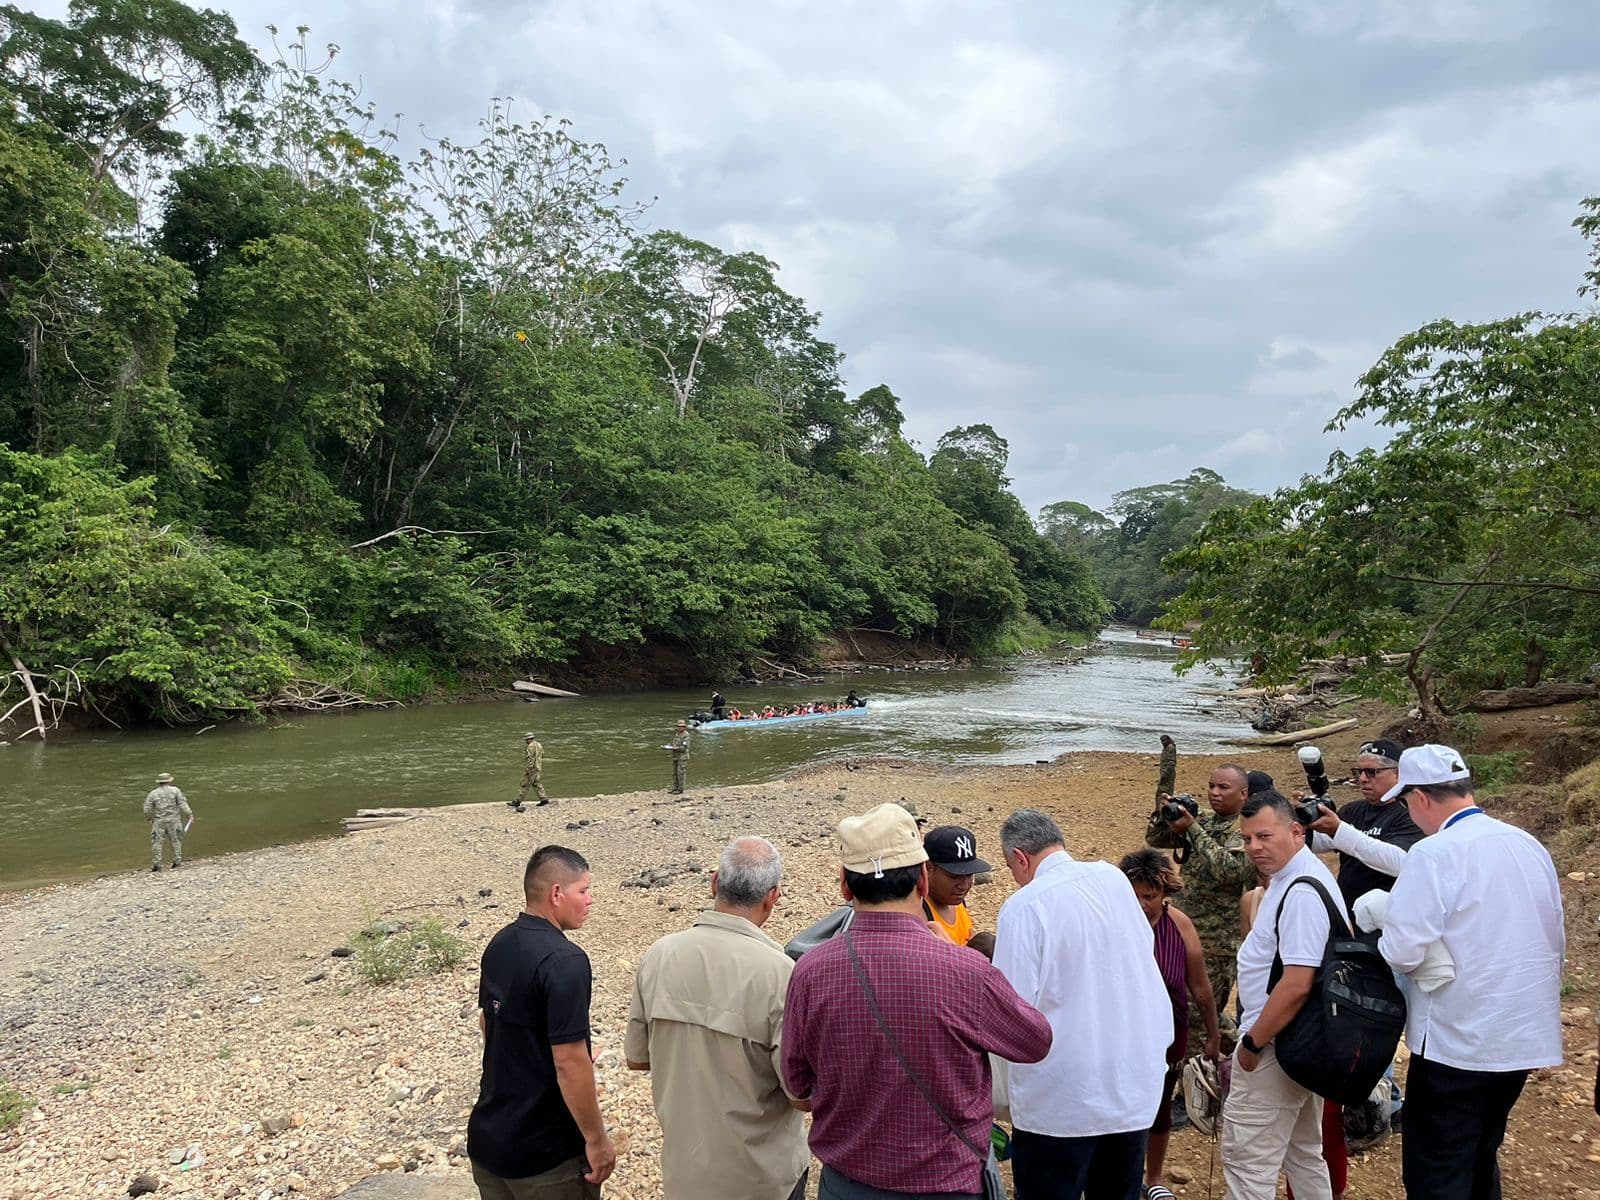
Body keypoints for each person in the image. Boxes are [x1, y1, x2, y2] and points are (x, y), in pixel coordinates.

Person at [782, 803, 1053, 1199]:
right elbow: (1035, 1041)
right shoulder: (966, 970)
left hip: (848, 1183)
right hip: (949, 1182)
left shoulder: (809, 971)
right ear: (924, 881)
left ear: (844, 884)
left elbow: (797, 1089)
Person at [1377, 744, 1565, 1200]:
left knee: (1436, 1168)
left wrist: (1380, 921)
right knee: (1482, 1151)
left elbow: (1402, 950)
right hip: (1520, 1038)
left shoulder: (1434, 852)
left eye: (1406, 802)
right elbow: (1552, 935)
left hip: (1457, 1041)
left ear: (1419, 798)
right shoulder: (1526, 843)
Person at [994, 809, 1172, 1200]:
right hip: (1131, 1084)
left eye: (1012, 867)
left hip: (1061, 1101)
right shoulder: (1113, 879)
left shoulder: (1025, 906)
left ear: (1020, 858)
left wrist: (1001, 1096)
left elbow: (1012, 1009)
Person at [627, 836, 807, 1200]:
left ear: (714, 882)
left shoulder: (659, 956)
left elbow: (637, 1058)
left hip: (685, 1176)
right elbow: (799, 1093)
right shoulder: (782, 974)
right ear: (773, 897)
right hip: (763, 1180)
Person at [468, 846, 614, 1199]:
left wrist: (530, 1058)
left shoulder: (499, 944)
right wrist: (597, 1141)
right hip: (546, 1156)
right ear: (556, 894)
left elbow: (492, 1026)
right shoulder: (566, 961)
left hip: (490, 1141)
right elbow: (569, 1061)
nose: (591, 900)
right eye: (584, 890)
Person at [1221, 790, 1341, 1200]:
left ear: (1295, 831)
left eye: (1264, 837)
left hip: (1275, 1043)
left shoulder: (1302, 891)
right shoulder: (1296, 878)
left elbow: (1297, 982)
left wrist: (1252, 1044)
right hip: (1299, 1041)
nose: (1254, 847)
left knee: (1248, 1163)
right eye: (1248, 838)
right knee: (1303, 1152)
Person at [1119, 849, 1220, 1200]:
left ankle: (1154, 1178)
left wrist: (1213, 1033)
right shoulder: (1112, 926)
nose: (1143, 904)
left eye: (1150, 896)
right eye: (1135, 896)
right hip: (1123, 1035)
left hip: (1170, 1035)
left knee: (1160, 1106)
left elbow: (1201, 987)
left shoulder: (1179, 925)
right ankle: (1120, 1179)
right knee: (1123, 1108)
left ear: (1165, 894)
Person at [1146, 763, 1257, 1047]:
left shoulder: (1247, 828)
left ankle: (1204, 1075)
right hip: (1181, 931)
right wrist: (1165, 814)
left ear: (1243, 794)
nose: (1214, 793)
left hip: (1216, 942)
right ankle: (1235, 1047)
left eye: (1223, 788)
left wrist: (1193, 829)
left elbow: (1229, 871)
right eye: (1211, 786)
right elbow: (1155, 839)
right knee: (1179, 1006)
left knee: (1201, 1014)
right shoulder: (1203, 821)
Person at [1305, 738, 1423, 926]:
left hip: (1384, 920)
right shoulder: (1353, 810)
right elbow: (1321, 842)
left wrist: (1339, 830)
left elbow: (1399, 862)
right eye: (1359, 772)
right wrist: (1301, 823)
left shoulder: (1411, 814)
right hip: (1346, 915)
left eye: (1372, 772)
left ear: (1398, 774)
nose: (1362, 779)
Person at [922, 824, 990, 947]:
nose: (963, 885)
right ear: (929, 868)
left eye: (969, 875)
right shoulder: (918, 914)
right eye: (954, 876)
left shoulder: (957, 900)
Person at [144, 772, 193, 872]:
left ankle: (157, 864)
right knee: (176, 841)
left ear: (159, 782)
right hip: (174, 821)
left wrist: (149, 818)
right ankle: (177, 862)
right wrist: (189, 814)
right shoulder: (175, 791)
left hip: (159, 821)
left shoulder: (153, 793)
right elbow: (182, 804)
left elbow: (146, 809)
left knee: (157, 842)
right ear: (169, 781)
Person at [511, 732, 549, 810]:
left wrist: (528, 769)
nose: (525, 741)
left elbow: (530, 759)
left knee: (525, 785)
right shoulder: (539, 745)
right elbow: (542, 755)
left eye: (526, 739)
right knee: (536, 783)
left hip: (532, 769)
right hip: (538, 767)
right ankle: (543, 798)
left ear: (528, 739)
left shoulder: (530, 746)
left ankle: (517, 801)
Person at [668, 720, 690, 794]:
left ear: (684, 727)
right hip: (675, 756)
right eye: (679, 726)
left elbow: (684, 747)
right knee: (674, 772)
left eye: (681, 727)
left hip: (682, 757)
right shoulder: (677, 734)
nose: (680, 728)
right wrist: (670, 746)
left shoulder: (686, 735)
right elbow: (675, 743)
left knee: (680, 773)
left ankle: (680, 789)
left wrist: (674, 748)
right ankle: (675, 787)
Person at [1156, 734, 1177, 801]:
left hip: (1168, 774)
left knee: (1163, 792)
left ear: (1168, 740)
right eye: (1162, 741)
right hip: (1166, 773)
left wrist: (1165, 774)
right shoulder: (1166, 748)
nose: (1163, 742)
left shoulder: (1170, 748)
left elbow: (1171, 763)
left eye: (1164, 741)